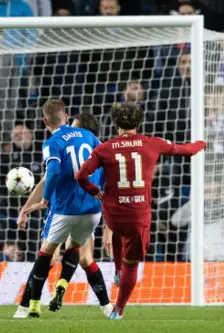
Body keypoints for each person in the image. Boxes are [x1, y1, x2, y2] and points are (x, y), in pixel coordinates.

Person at [76, 103, 205, 319]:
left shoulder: (104, 148)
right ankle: (118, 309)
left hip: (113, 213)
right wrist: (202, 142)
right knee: (132, 263)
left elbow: (81, 175)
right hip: (138, 215)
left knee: (118, 232)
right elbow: (187, 150)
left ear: (115, 124)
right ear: (138, 123)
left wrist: (94, 191)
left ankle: (116, 270)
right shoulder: (152, 143)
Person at [14, 100, 111, 318]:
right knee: (84, 257)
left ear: (44, 121)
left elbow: (51, 175)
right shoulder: (91, 140)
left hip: (64, 207)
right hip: (91, 207)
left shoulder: (55, 143)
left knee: (47, 255)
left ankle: (28, 306)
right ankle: (104, 305)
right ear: (66, 117)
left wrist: (39, 203)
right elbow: (106, 168)